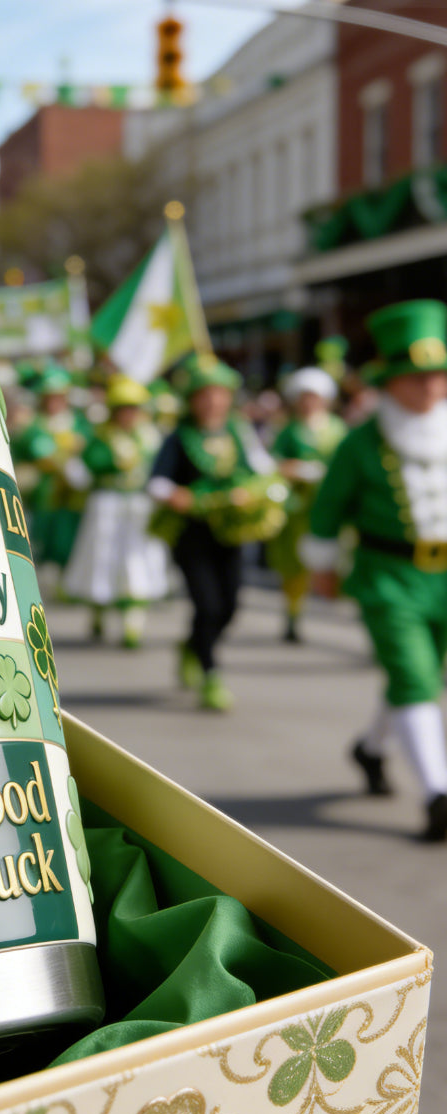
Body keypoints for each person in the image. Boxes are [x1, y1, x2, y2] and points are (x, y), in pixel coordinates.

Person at [304, 300, 447, 842]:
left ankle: (370, 749)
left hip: (445, 578)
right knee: (414, 674)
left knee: (421, 672)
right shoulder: (360, 443)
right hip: (389, 576)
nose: (430, 388)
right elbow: (327, 510)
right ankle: (438, 793)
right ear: (391, 383)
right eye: (416, 378)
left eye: (437, 376)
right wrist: (322, 565)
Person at [148, 353, 276, 712]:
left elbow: (262, 469)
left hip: (231, 532)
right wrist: (175, 495)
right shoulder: (179, 437)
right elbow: (157, 481)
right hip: (191, 535)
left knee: (231, 606)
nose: (213, 402)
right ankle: (211, 673)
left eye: (219, 393)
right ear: (192, 400)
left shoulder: (239, 431)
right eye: (205, 394)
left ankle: (192, 645)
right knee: (207, 604)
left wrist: (254, 489)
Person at [62, 375, 169, 647]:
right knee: (102, 558)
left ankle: (133, 624)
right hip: (107, 505)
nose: (129, 415)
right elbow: (85, 469)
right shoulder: (100, 437)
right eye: (124, 409)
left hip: (140, 507)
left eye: (134, 408)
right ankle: (98, 611)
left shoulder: (151, 437)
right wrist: (110, 462)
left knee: (137, 561)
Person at [267, 367, 347, 643]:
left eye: (314, 396)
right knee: (294, 564)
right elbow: (273, 465)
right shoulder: (288, 431)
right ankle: (293, 614)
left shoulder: (337, 428)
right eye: (305, 396)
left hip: (331, 504)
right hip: (299, 506)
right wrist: (297, 469)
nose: (309, 402)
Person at [11, 361, 89, 570]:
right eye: (49, 397)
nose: (54, 402)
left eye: (58, 397)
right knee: (44, 535)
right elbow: (37, 451)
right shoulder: (34, 424)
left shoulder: (78, 422)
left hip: (75, 495)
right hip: (45, 493)